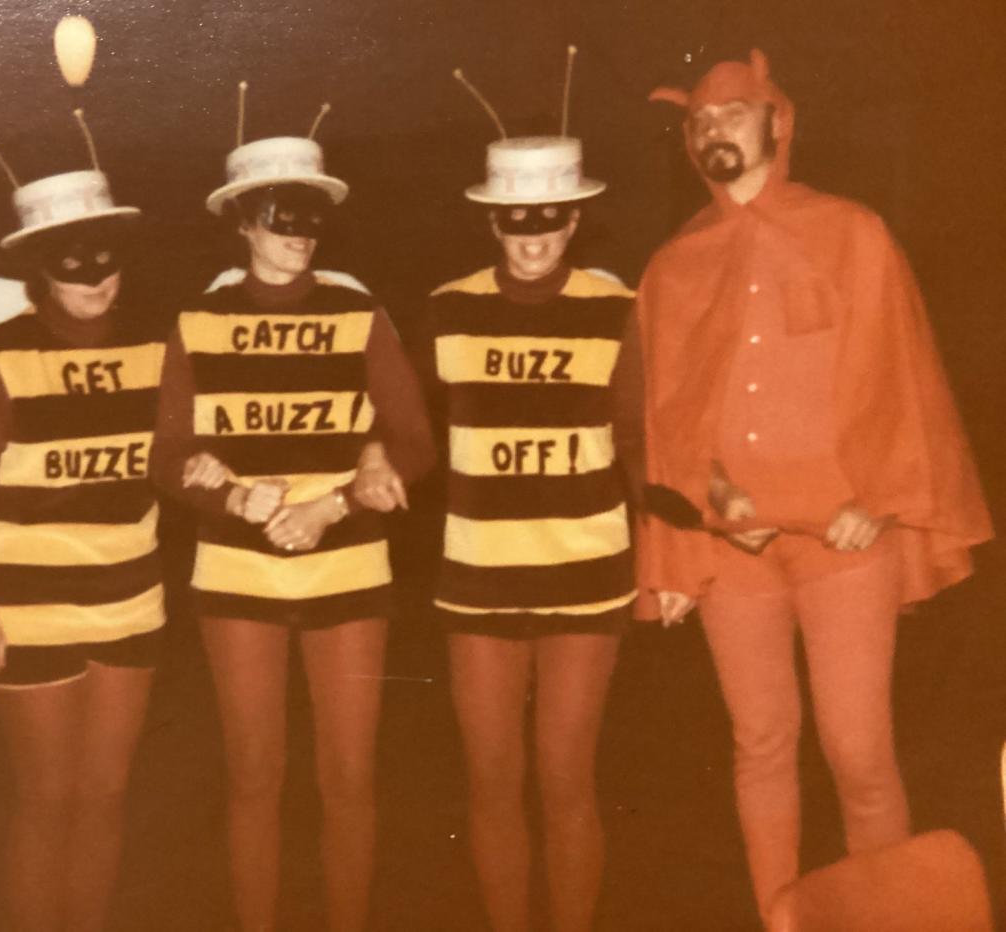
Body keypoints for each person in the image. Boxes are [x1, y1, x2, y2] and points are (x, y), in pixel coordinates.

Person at [639, 49, 993, 921]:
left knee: (859, 751)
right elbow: (666, 424)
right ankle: (782, 919)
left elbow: (903, 379)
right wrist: (701, 524)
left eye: (731, 113)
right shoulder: (674, 265)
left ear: (778, 121)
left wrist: (874, 501)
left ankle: (888, 917)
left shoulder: (853, 232)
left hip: (844, 543)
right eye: (699, 122)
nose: (713, 130)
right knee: (760, 745)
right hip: (739, 553)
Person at [151, 101, 435, 932]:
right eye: (282, 216)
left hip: (346, 561)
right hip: (236, 570)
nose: (301, 233)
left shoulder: (361, 314)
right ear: (242, 221)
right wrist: (228, 494)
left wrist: (333, 504)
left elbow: (416, 442)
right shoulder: (196, 322)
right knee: (254, 776)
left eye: (313, 216)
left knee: (348, 777)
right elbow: (166, 454)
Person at [417, 54, 642, 932]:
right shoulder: (446, 308)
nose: (534, 234)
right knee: (492, 782)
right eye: (516, 219)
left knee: (565, 778)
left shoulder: (617, 306)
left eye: (551, 217)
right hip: (477, 579)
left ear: (576, 217)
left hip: (588, 576)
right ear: (493, 221)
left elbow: (641, 441)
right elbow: (396, 425)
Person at [0, 119, 167, 931]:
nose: (95, 278)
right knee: (47, 798)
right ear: (41, 267)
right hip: (26, 607)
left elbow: (184, 453)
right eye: (73, 262)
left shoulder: (157, 345)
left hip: (130, 600)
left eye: (106, 256)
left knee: (105, 798)